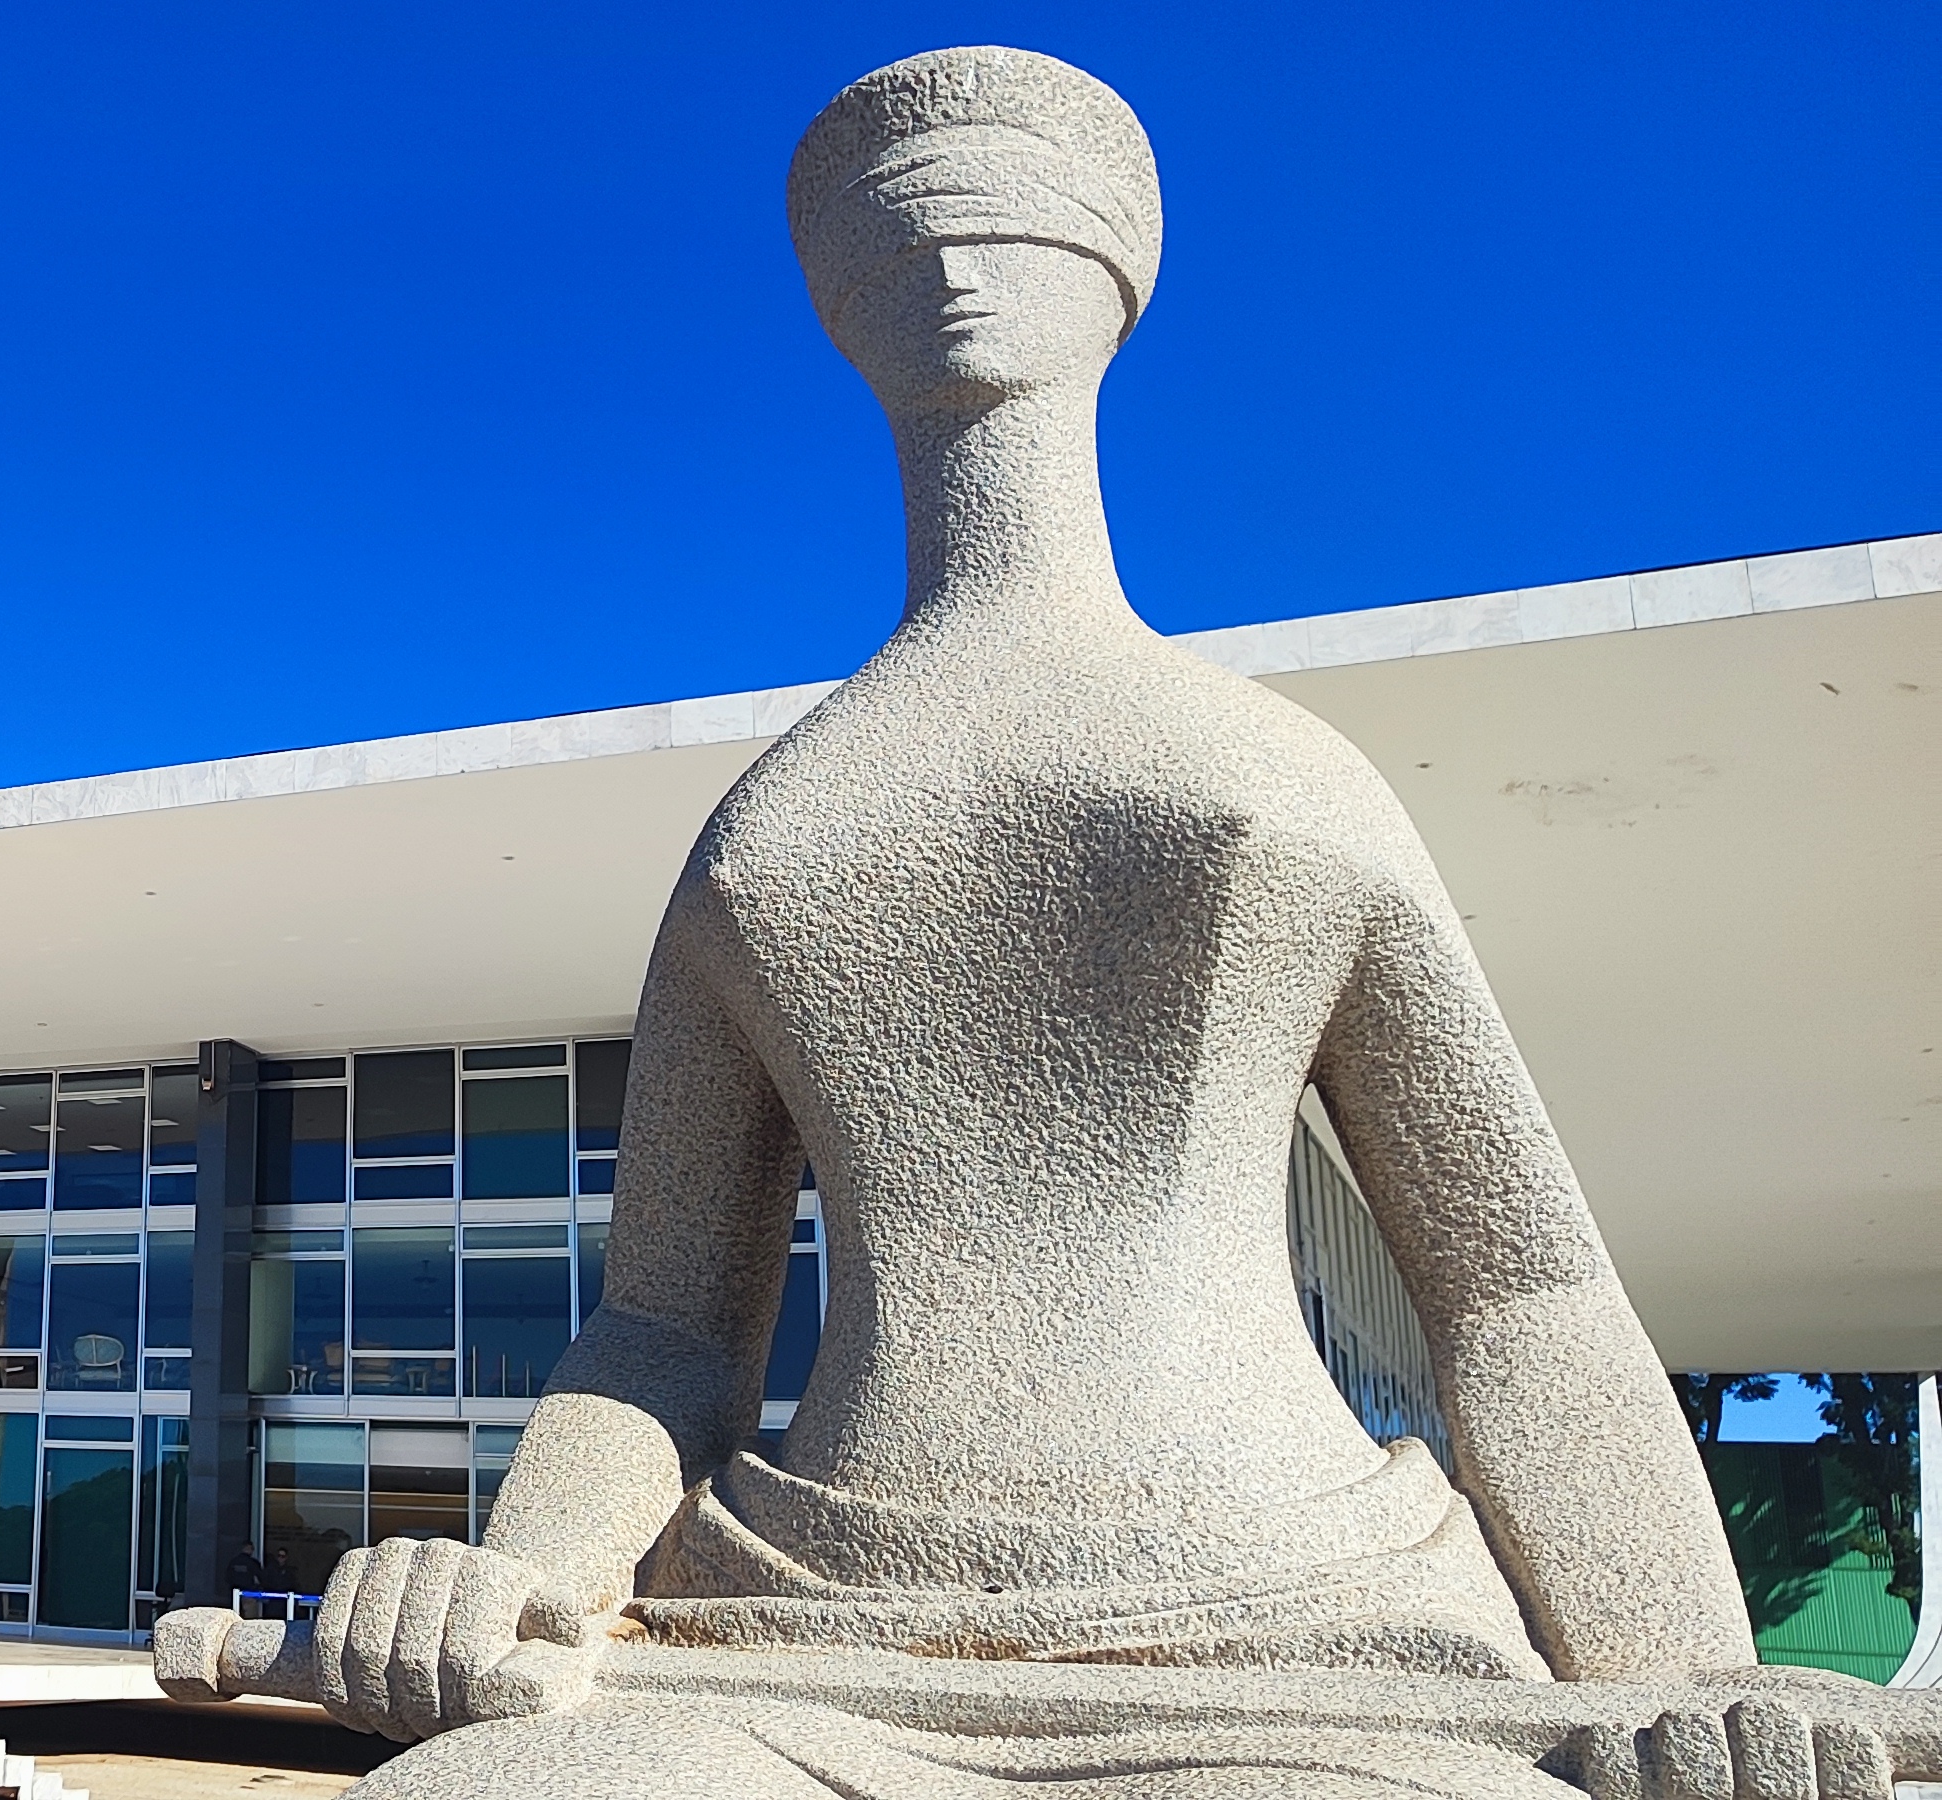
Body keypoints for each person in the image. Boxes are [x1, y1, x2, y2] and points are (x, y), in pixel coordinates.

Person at [301, 46, 1917, 1800]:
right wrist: (515, 1580)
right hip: (792, 1625)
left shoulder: (1269, 777)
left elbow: (1520, 1287)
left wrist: (1685, 1669)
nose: (955, 273)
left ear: (1122, 275)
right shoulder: (769, 834)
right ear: (838, 312)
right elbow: (669, 1331)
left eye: (1010, 230)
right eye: (900, 244)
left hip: (1314, 1636)